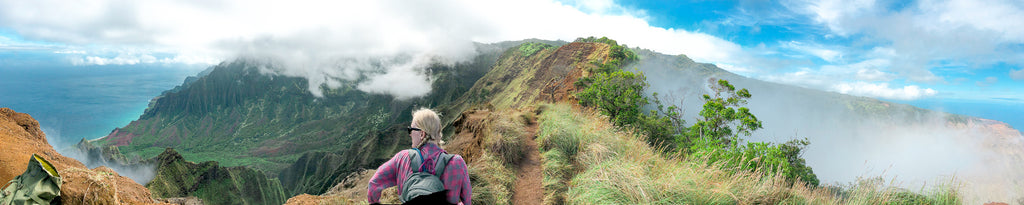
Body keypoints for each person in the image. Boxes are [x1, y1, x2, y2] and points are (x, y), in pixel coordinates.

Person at [368, 108, 472, 205]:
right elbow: (467, 200)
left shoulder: (402, 158)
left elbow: (374, 184)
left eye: (411, 130)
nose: (409, 134)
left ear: (422, 134)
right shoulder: (457, 162)